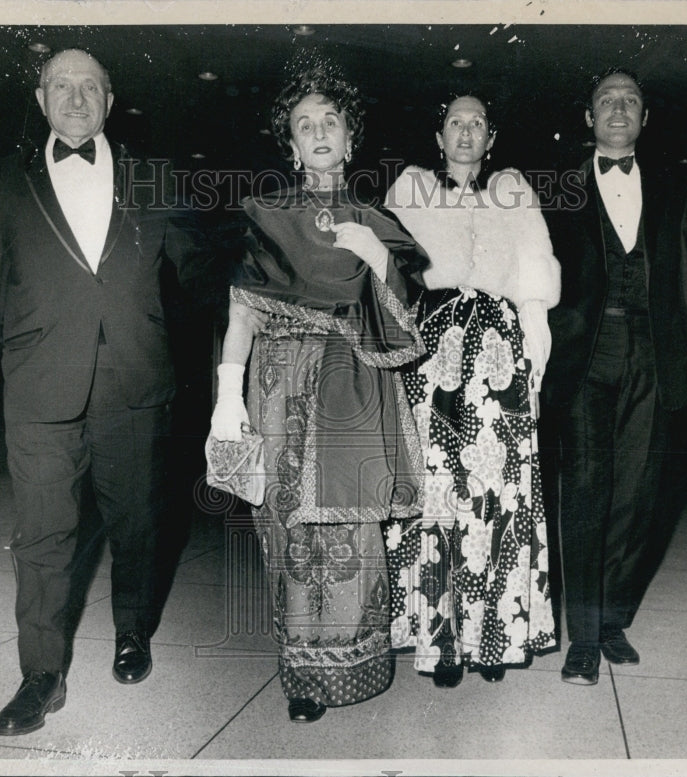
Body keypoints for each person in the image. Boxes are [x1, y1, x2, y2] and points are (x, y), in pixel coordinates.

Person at [0, 49, 198, 735]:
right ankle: (40, 674)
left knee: (138, 525)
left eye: (90, 87)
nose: (77, 98)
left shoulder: (154, 179)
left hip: (137, 382)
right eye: (63, 85)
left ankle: (132, 632)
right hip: (38, 385)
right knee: (42, 537)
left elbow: (203, 270)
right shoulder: (1, 180)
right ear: (40, 98)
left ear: (110, 102)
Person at [208, 58, 428, 723]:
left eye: (330, 121)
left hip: (351, 387)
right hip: (275, 387)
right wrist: (225, 392)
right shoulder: (269, 215)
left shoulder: (376, 218)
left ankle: (358, 662)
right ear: (293, 146)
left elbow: (411, 318)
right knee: (285, 527)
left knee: (351, 527)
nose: (320, 132)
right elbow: (243, 309)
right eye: (306, 125)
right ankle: (302, 677)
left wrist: (379, 254)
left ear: (350, 138)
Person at [541, 68, 687, 685]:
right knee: (586, 491)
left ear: (644, 118)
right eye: (606, 101)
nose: (618, 108)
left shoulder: (673, 186)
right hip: (584, 356)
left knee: (638, 493)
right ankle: (584, 637)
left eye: (631, 100)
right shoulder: (556, 188)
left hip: (655, 353)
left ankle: (613, 619)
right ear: (589, 120)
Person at [382, 95, 559, 688]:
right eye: (454, 122)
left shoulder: (514, 194)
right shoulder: (409, 192)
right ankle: (443, 641)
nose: (465, 132)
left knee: (495, 498)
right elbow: (386, 285)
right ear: (439, 136)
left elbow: (534, 291)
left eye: (476, 123)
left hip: (500, 361)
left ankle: (494, 636)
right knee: (439, 497)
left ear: (491, 137)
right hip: (433, 359)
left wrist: (532, 372)